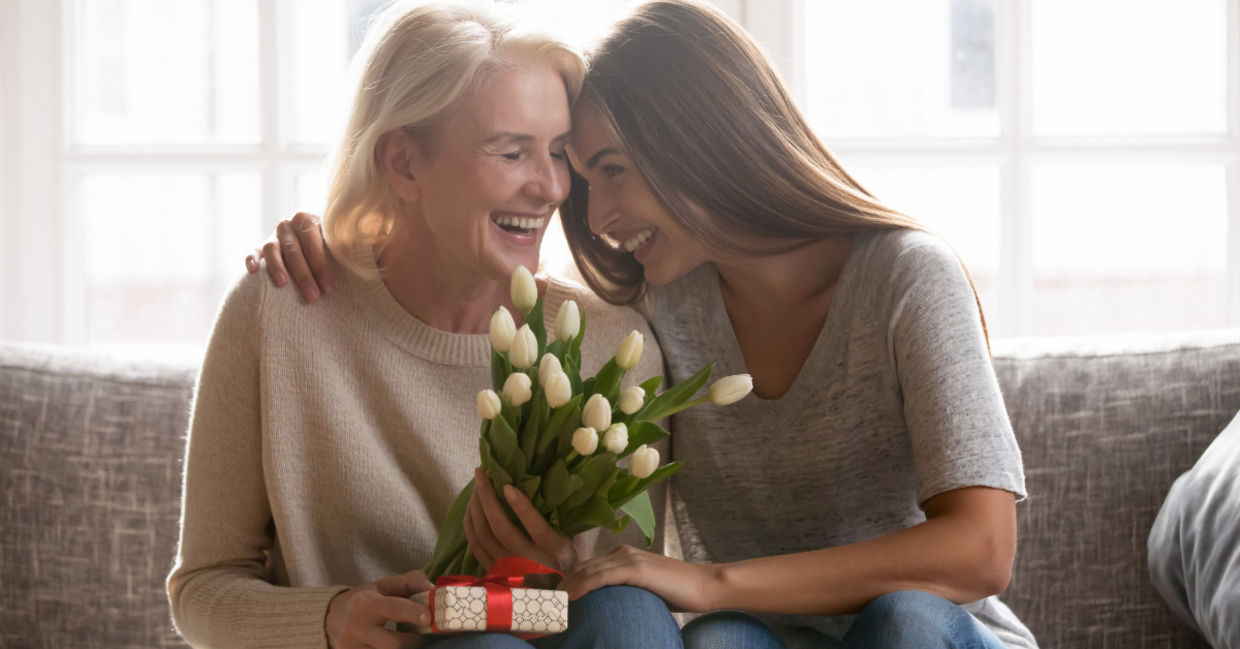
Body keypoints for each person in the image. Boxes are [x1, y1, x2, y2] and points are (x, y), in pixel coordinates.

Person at [254, 1, 1038, 648]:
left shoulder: (906, 276)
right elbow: (595, 576)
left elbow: (981, 549)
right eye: (583, 174)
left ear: (699, 142)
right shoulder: (658, 311)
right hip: (760, 634)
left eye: (609, 170)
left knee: (898, 620)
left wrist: (711, 582)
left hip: (934, 631)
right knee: (718, 643)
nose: (591, 211)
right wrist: (346, 239)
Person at [168, 2, 680, 648]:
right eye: (513, 152)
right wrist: (328, 618)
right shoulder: (280, 310)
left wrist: (559, 580)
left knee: (630, 615)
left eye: (556, 153)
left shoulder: (613, 347)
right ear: (403, 164)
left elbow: (619, 599)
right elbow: (203, 586)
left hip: (543, 640)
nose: (551, 187)